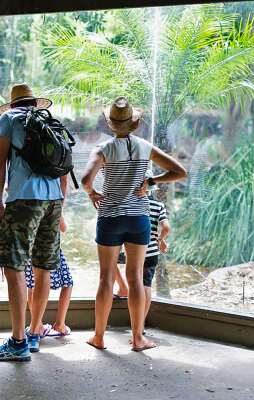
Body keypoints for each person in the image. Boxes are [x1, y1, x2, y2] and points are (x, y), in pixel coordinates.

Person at [81, 97, 186, 352]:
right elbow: (179, 171)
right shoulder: (144, 147)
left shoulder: (103, 149)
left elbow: (85, 179)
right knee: (136, 278)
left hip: (109, 218)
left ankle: (99, 337)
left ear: (110, 124)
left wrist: (93, 193)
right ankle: (138, 339)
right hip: (138, 218)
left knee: (106, 279)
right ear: (135, 124)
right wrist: (150, 182)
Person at [0, 83, 67, 362]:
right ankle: (34, 332)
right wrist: (61, 206)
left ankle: (18, 341)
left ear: (14, 103)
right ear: (34, 103)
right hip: (53, 200)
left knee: (14, 266)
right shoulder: (51, 121)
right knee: (43, 265)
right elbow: (64, 168)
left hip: (23, 200)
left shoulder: (8, 119)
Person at [114, 185, 171, 329]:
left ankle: (122, 287)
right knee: (146, 285)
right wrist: (160, 240)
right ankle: (139, 326)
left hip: (131, 249)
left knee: (110, 262)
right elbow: (166, 227)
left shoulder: (129, 203)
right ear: (151, 189)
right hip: (151, 252)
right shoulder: (159, 205)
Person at [25, 214, 73, 338]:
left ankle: (37, 325)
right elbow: (63, 227)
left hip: (31, 252)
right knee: (68, 283)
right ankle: (60, 324)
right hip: (52, 251)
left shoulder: (29, 205)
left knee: (32, 286)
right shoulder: (52, 204)